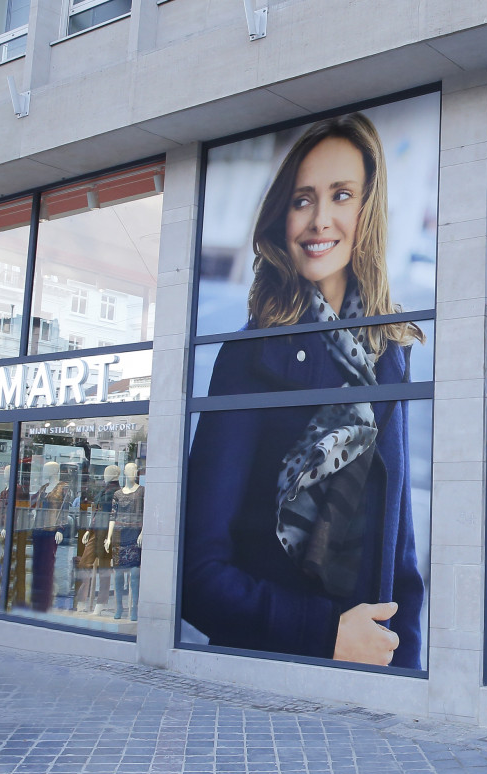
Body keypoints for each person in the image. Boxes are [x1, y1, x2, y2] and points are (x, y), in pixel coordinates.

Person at [183, 113, 425, 669]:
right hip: (271, 681)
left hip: (373, 679)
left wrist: (404, 674)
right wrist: (323, 635)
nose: (320, 220)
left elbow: (402, 561)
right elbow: (197, 573)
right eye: (302, 199)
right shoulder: (249, 359)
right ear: (281, 216)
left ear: (368, 212)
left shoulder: (388, 357)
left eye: (341, 195)